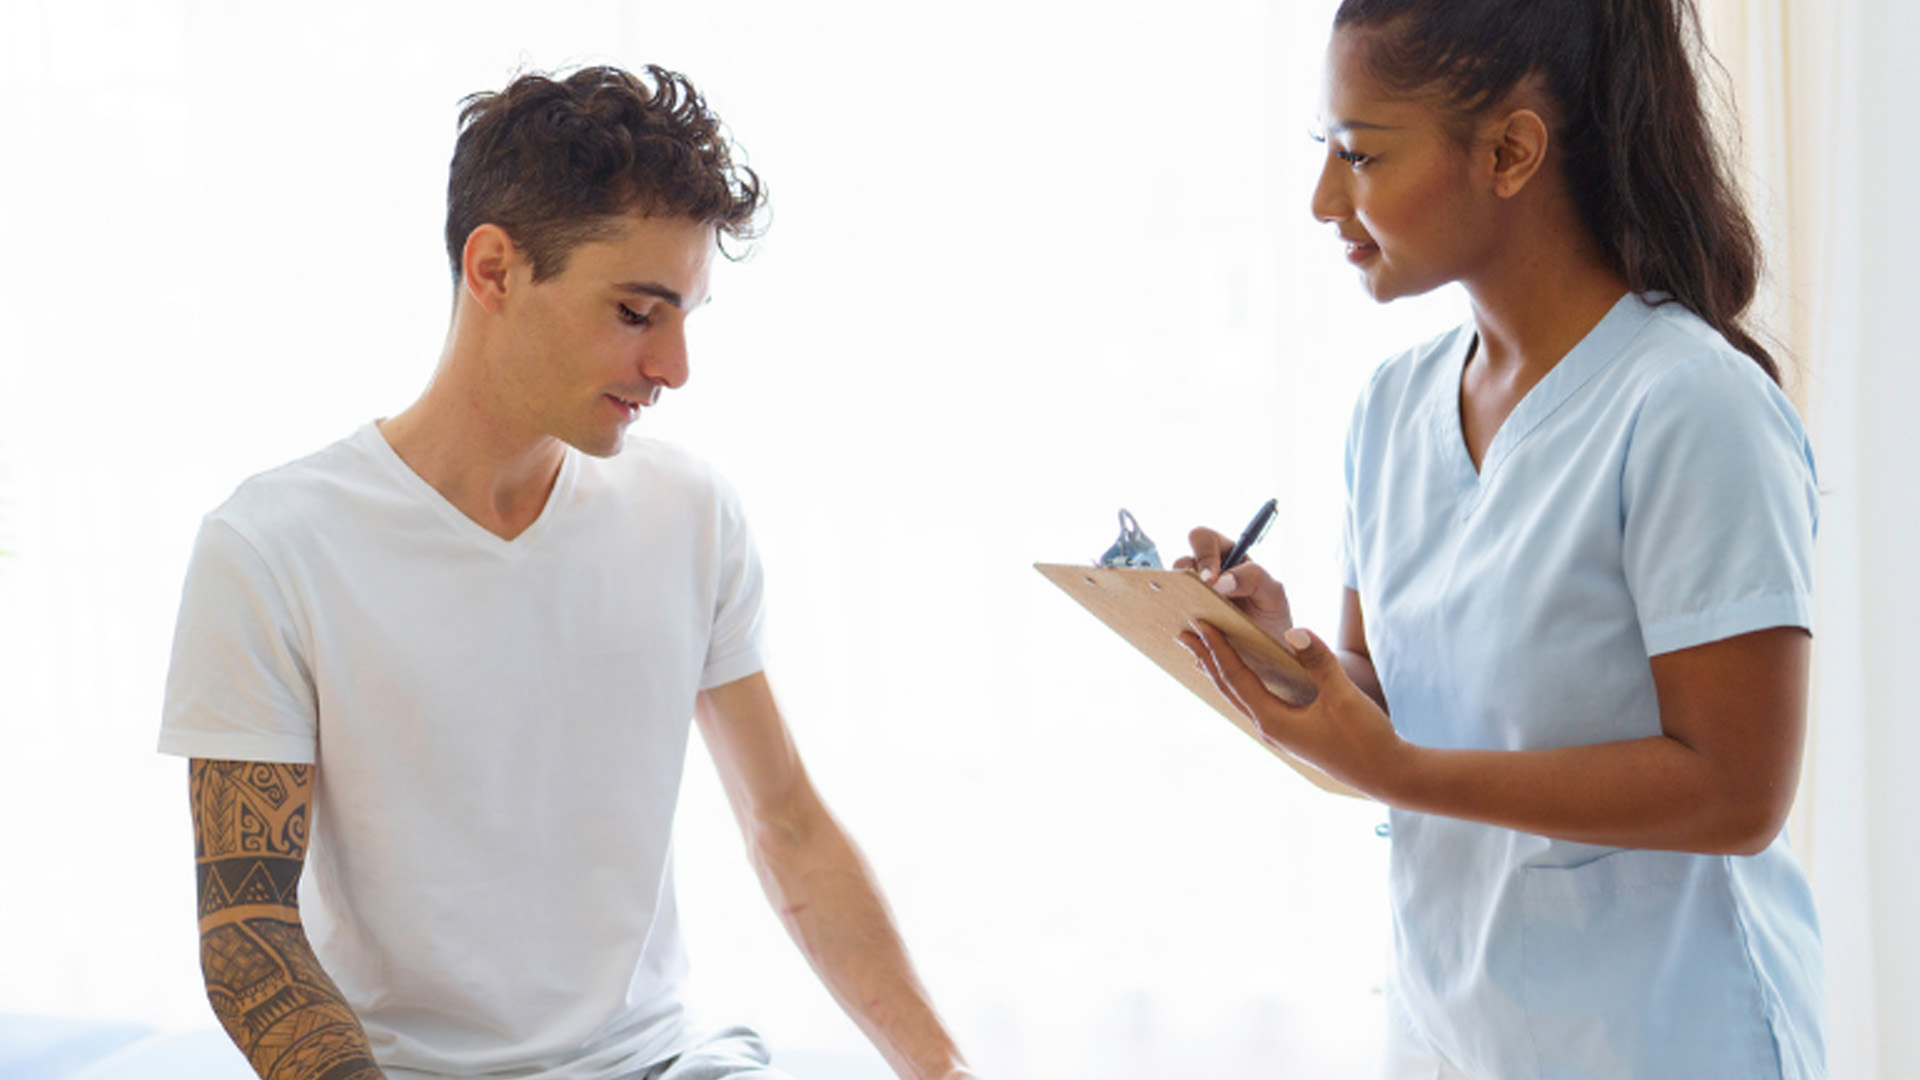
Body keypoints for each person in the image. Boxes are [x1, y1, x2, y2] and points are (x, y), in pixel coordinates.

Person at [160, 65, 977, 1080]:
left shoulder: (690, 515)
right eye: (637, 313)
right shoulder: (272, 548)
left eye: (686, 316)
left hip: (667, 1062)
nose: (675, 367)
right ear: (494, 270)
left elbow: (790, 829)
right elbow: (250, 934)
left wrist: (946, 1071)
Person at [1176, 2, 1825, 1078]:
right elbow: (1387, 701)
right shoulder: (1391, 409)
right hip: (1457, 1035)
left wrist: (1402, 770)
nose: (1324, 200)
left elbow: (1737, 790)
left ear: (1512, 152)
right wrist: (1280, 654)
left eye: (1360, 154)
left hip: (1669, 1044)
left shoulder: (1689, 406)